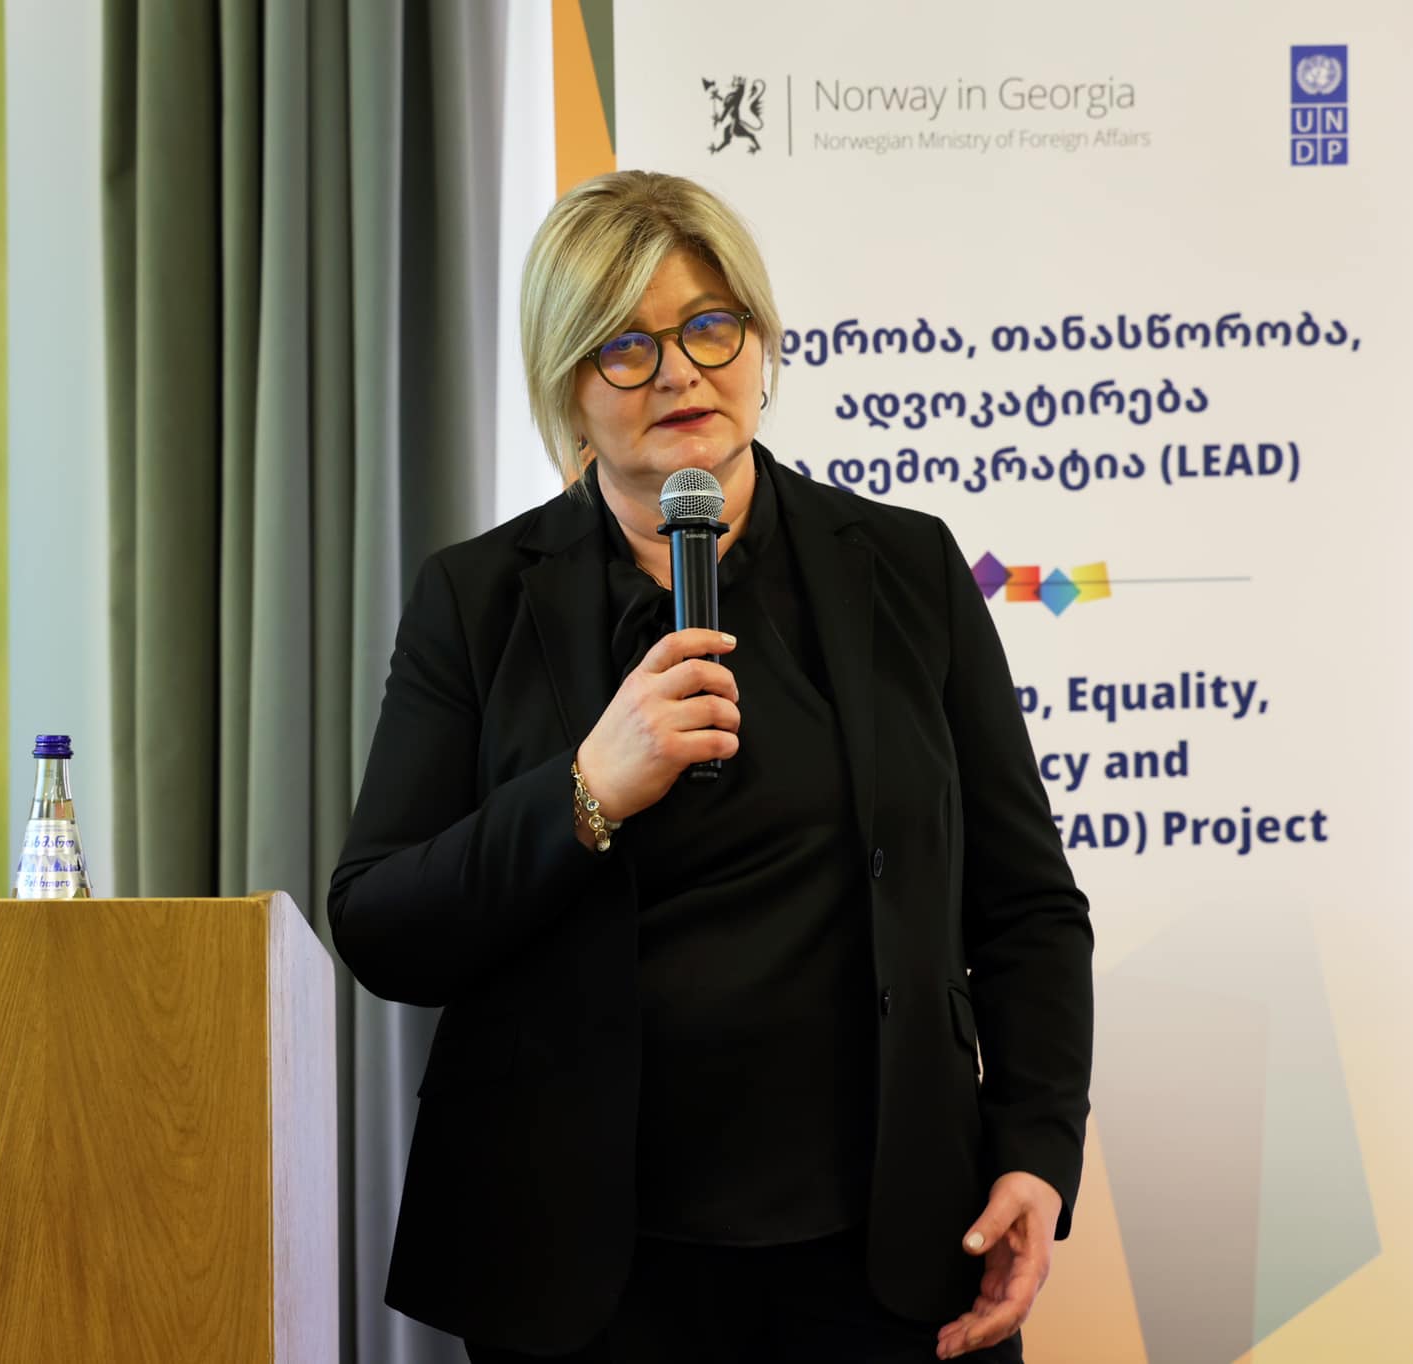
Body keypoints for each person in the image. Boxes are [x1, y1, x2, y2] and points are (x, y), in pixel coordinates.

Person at [328, 170, 1093, 1363]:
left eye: (707, 326)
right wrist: (584, 792)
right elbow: (380, 921)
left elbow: (1026, 903)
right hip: (588, 1272)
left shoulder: (904, 566)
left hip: (882, 1249)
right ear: (567, 389)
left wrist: (1035, 1148)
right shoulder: (476, 599)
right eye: (625, 345)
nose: (678, 372)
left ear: (758, 342)